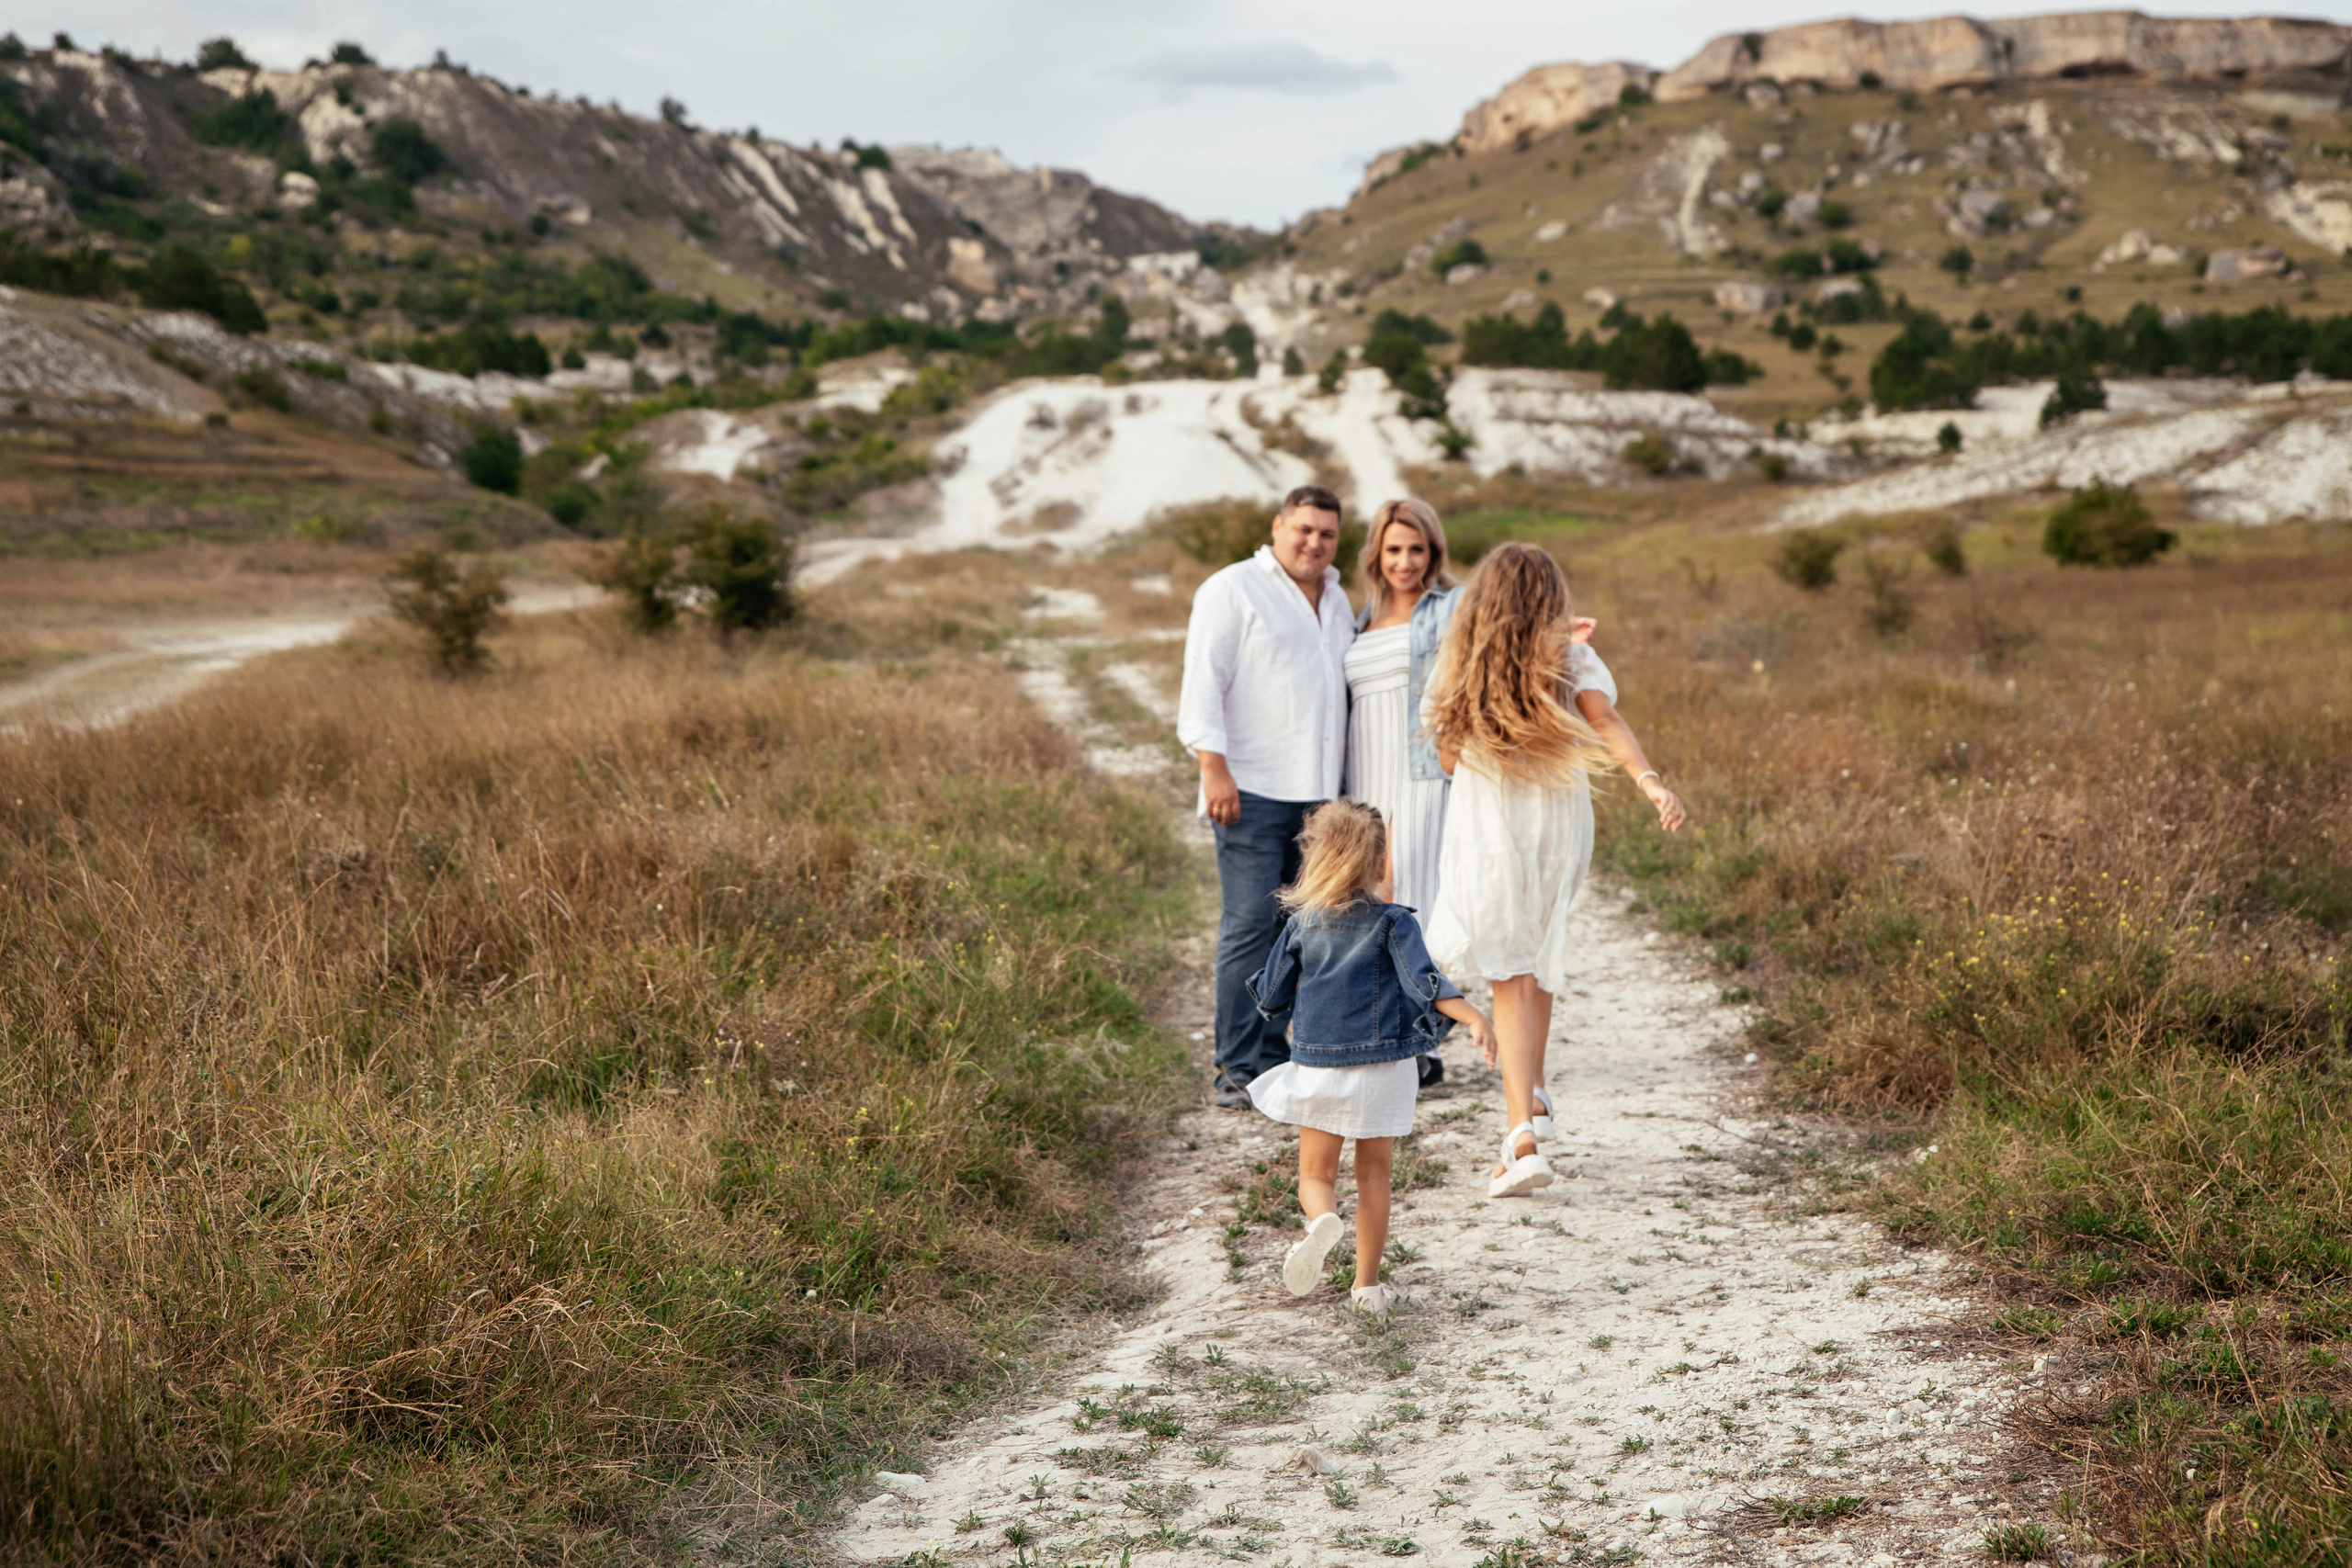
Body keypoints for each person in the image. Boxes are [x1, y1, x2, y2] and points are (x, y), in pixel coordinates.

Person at [1420, 543, 1688, 1199]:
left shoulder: (1460, 661)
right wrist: (1650, 781)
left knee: (1508, 971)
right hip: (1559, 827)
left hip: (1492, 826)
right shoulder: (1571, 657)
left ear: (1482, 601)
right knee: (1535, 956)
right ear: (1552, 598)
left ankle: (1521, 1139)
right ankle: (1533, 1089)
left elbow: (1448, 760)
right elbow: (1608, 719)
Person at [1243, 800, 1496, 1312]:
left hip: (1319, 1068)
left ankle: (1321, 1221)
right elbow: (1426, 984)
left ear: (1313, 858)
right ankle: (1367, 1289)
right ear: (1380, 863)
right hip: (1385, 1069)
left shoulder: (1301, 924)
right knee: (1373, 1176)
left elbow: (1270, 997)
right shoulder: (1395, 922)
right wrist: (1474, 1018)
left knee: (1315, 1175)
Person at [1176, 485, 1354, 1109]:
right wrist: (1212, 766)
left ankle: (1278, 1059)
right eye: (1303, 529)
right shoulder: (1232, 588)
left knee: (1300, 928)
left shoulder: (1337, 598)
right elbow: (1204, 678)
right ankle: (1236, 1066)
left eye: (1326, 534)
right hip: (1250, 789)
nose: (1314, 543)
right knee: (1250, 925)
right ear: (1277, 526)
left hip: (1320, 797)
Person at [1342, 499, 1461, 1089]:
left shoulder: (1450, 608)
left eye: (1417, 549)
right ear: (1377, 554)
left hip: (1420, 773)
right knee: (1369, 899)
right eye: (1394, 549)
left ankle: (1422, 1042)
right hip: (1363, 774)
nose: (1405, 561)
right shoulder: (1359, 618)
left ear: (1433, 552)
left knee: (1415, 901)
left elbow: (1503, 641)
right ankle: (1387, 1037)